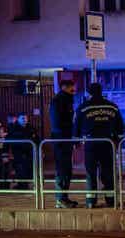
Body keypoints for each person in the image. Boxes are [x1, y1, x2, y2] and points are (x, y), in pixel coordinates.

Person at [74, 83, 123, 208]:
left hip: (91, 143)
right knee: (108, 171)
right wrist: (117, 141)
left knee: (91, 172)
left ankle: (91, 201)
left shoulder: (83, 107)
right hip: (108, 143)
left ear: (89, 93)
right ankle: (110, 200)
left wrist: (76, 141)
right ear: (101, 91)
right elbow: (120, 127)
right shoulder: (112, 107)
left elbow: (76, 126)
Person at [49, 80, 78, 208]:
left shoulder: (66, 99)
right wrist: (68, 136)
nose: (74, 90)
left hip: (64, 139)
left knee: (66, 169)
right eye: (72, 87)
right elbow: (58, 123)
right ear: (64, 87)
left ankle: (63, 198)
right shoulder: (59, 101)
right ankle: (61, 199)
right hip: (61, 140)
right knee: (62, 169)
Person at [7, 113, 39, 189]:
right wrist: (6, 153)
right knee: (20, 169)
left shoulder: (30, 127)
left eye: (26, 118)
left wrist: (40, 150)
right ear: (18, 119)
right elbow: (8, 140)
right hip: (18, 152)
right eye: (22, 118)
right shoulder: (13, 128)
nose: (25, 120)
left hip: (29, 152)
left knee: (29, 169)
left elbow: (37, 139)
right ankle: (22, 185)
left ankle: (28, 184)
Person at [0, 122, 11, 189]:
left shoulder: (6, 136)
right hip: (0, 154)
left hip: (4, 154)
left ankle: (5, 186)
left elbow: (7, 146)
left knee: (5, 170)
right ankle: (2, 185)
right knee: (1, 171)